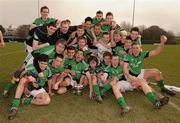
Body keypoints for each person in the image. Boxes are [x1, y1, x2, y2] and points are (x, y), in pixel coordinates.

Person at [8, 54, 52, 120]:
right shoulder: (31, 66)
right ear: (38, 62)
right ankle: (14, 106)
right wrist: (27, 80)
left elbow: (48, 80)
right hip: (27, 85)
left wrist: (50, 91)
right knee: (23, 79)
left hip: (37, 87)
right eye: (41, 63)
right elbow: (22, 74)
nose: (43, 66)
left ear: (47, 63)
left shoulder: (48, 70)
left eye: (45, 64)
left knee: (47, 100)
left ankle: (25, 100)